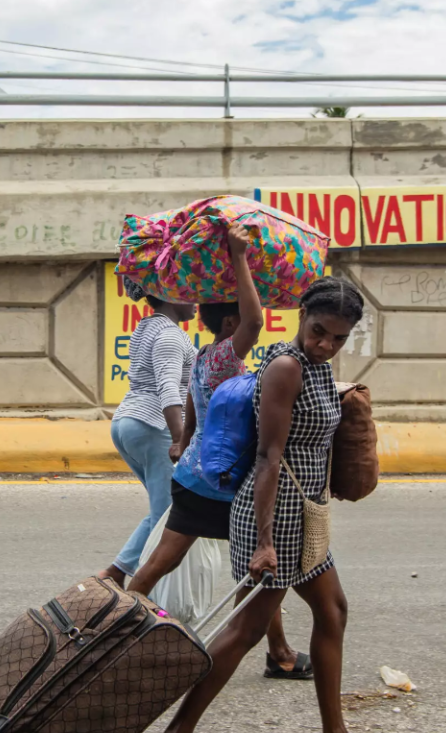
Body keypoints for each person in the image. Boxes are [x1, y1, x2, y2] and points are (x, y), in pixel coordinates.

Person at [148, 276, 387, 733]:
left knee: (332, 610)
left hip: (303, 516)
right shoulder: (284, 367)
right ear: (302, 314)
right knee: (246, 629)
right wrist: (262, 542)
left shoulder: (315, 368)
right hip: (274, 518)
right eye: (320, 331)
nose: (327, 344)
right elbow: (267, 455)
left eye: (339, 338)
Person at [128, 222, 312, 681]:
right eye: (241, 322)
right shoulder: (228, 356)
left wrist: (184, 441)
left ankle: (120, 626)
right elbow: (254, 320)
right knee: (258, 571)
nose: (251, 325)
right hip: (223, 485)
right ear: (230, 325)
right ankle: (272, 651)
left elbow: (192, 402)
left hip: (193, 478)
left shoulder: (206, 356)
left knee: (161, 563)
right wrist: (239, 257)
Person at [99, 281, 197, 587]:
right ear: (170, 293)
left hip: (129, 423)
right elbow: (168, 386)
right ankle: (146, 597)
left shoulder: (148, 328)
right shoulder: (169, 335)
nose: (196, 299)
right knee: (170, 517)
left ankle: (116, 573)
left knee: (164, 508)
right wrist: (180, 438)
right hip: (154, 427)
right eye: (189, 291)